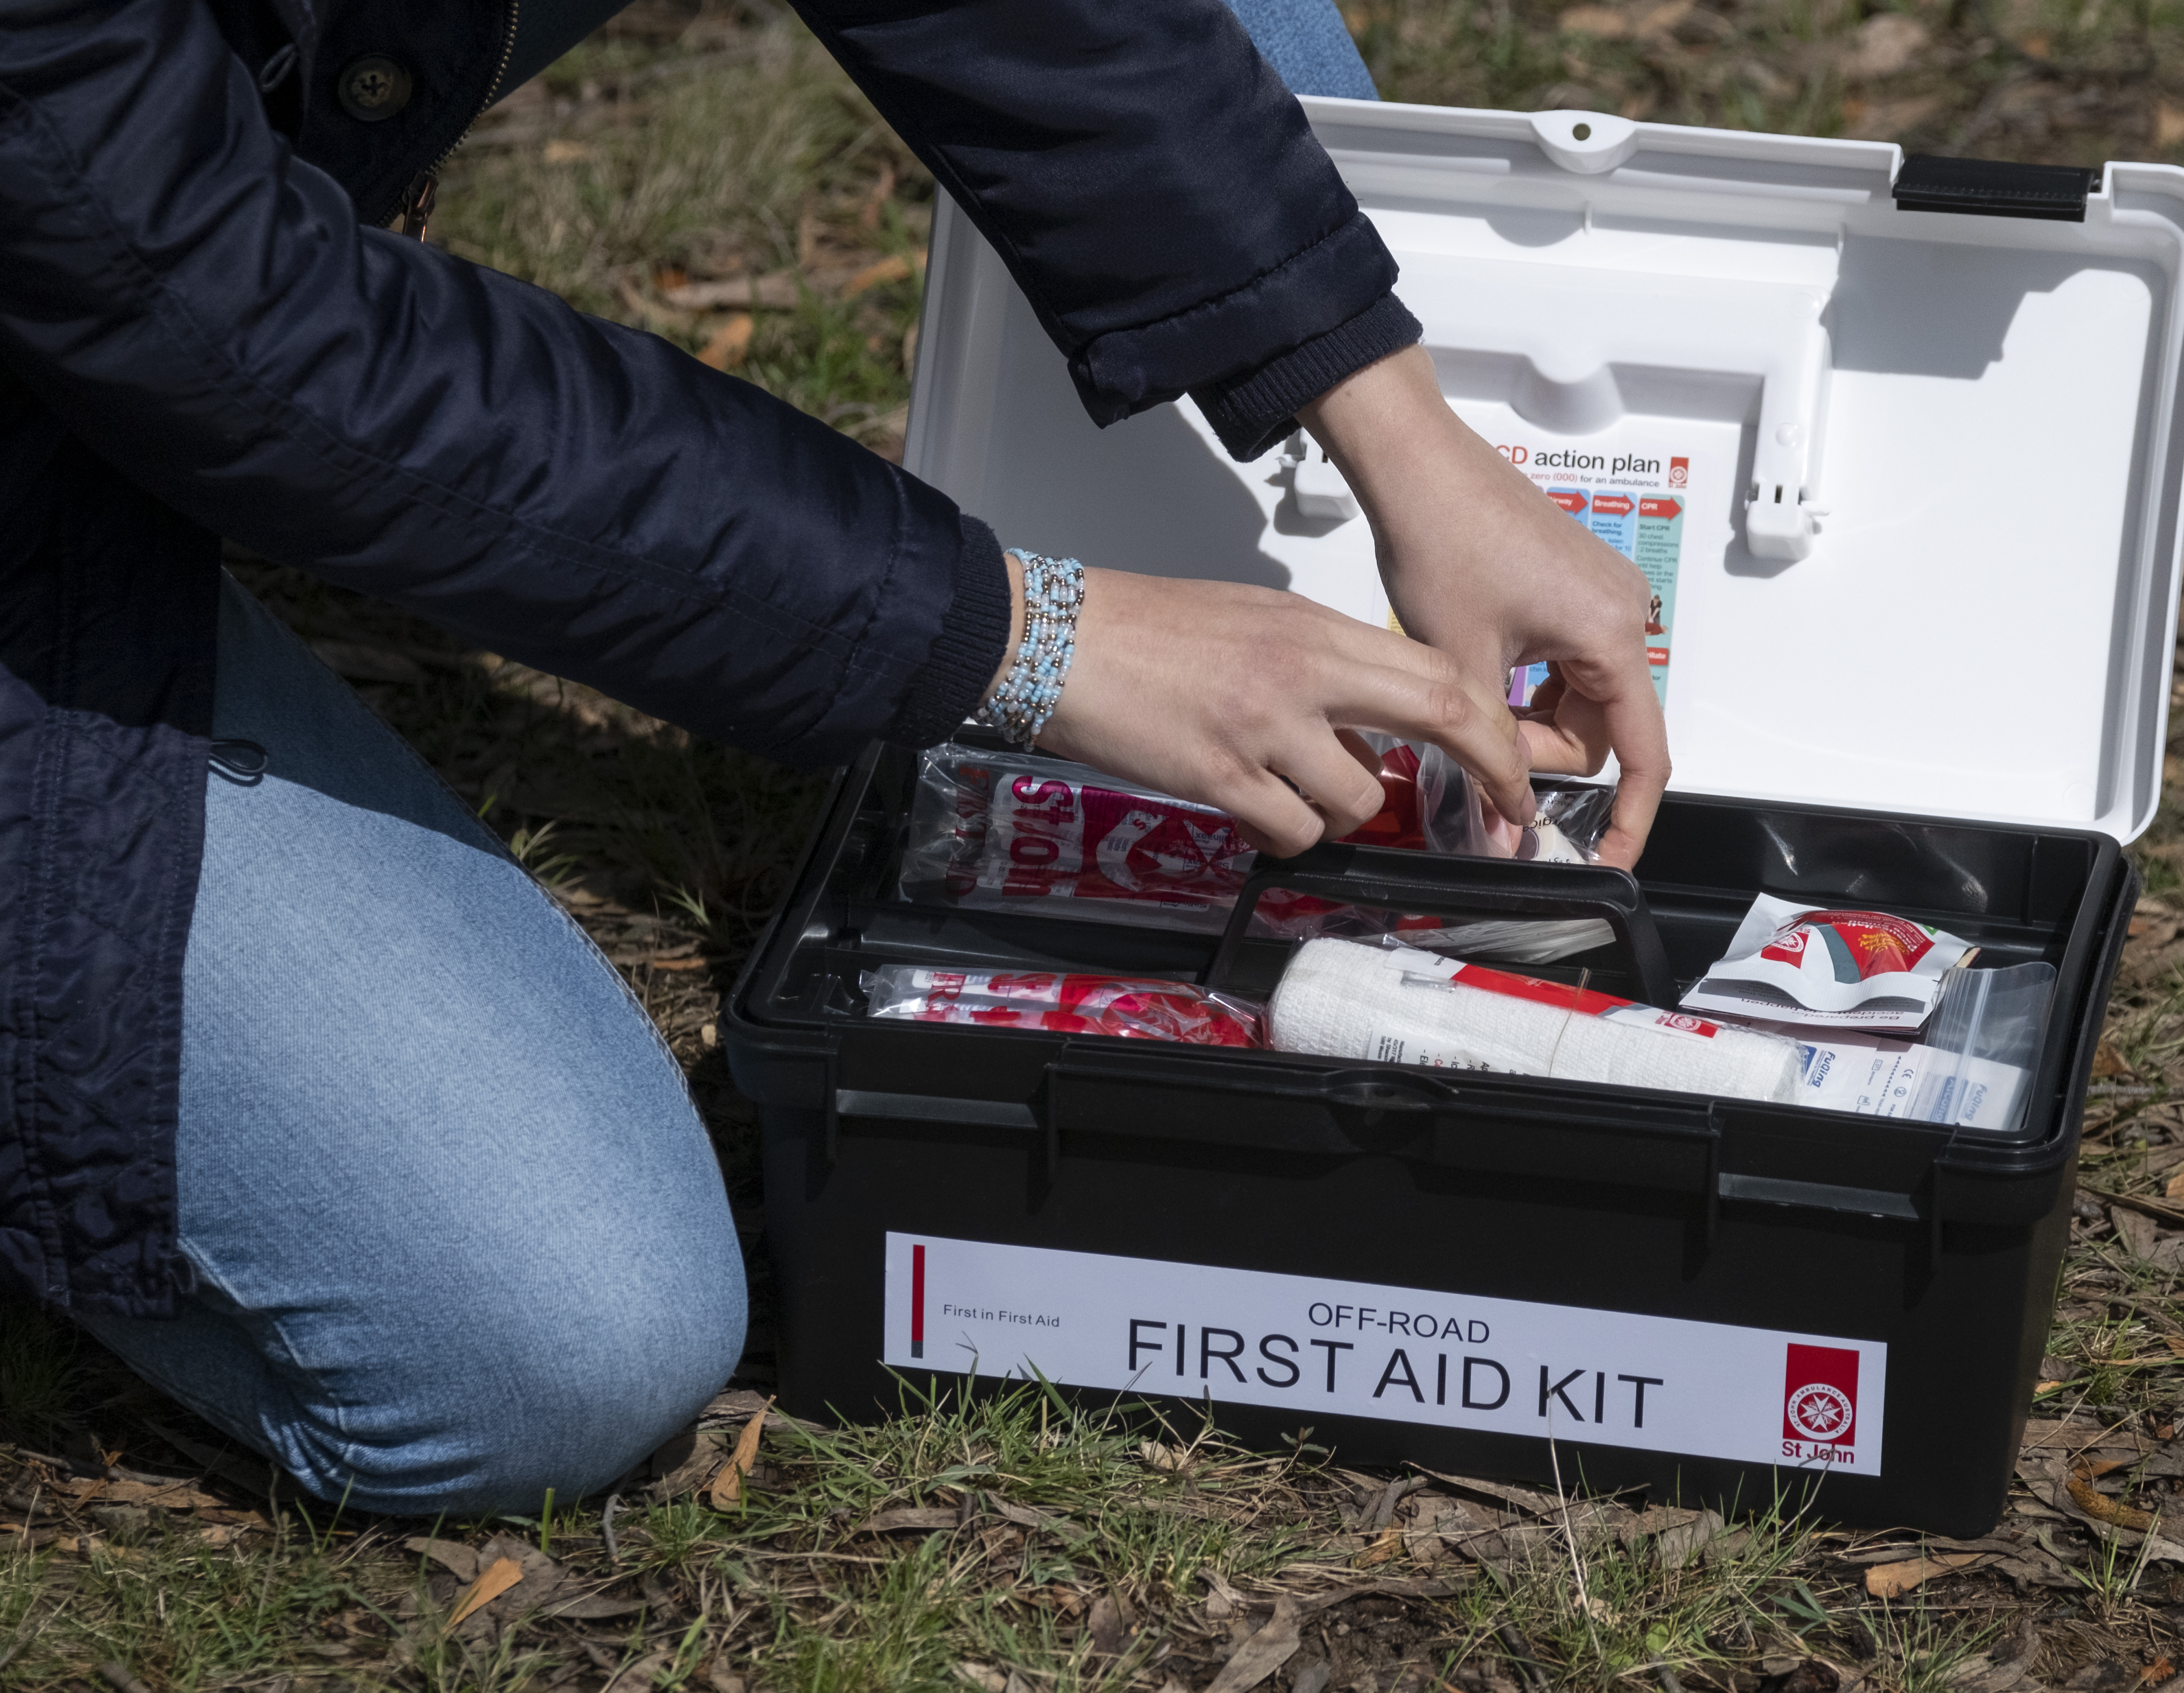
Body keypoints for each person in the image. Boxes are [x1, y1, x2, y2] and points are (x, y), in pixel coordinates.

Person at [0, 0, 1668, 1513]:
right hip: (117, 310)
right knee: (553, 1334)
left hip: (136, 229)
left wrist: (1373, 396)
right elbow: (226, 311)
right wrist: (1027, 639)